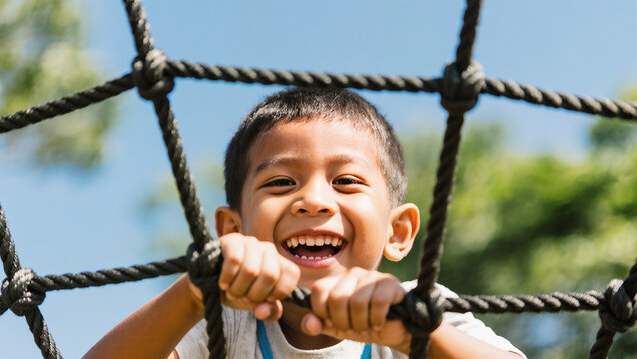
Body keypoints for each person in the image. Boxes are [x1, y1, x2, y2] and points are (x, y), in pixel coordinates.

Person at [84, 88, 525, 358]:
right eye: (280, 182)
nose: (312, 201)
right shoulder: (226, 324)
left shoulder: (419, 308)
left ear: (399, 232)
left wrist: (416, 337)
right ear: (232, 233)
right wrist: (193, 294)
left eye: (346, 182)